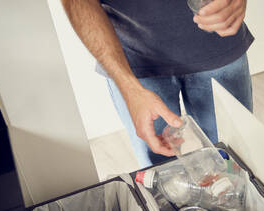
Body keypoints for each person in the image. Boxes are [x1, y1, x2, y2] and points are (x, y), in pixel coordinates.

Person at [61, 0, 253, 167]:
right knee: (161, 174)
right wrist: (130, 89)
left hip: (220, 42)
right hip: (133, 63)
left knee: (234, 162)